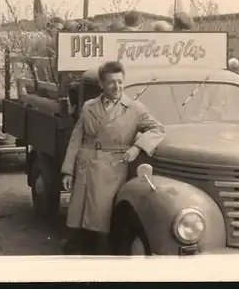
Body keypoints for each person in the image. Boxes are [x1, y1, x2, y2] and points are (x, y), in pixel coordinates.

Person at [60, 60, 166, 255]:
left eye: (120, 82)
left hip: (112, 168)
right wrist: (67, 171)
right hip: (86, 165)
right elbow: (76, 139)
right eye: (111, 82)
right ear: (101, 84)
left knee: (102, 219)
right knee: (80, 222)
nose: (117, 87)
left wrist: (137, 148)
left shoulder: (134, 108)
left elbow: (158, 129)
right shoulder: (88, 107)